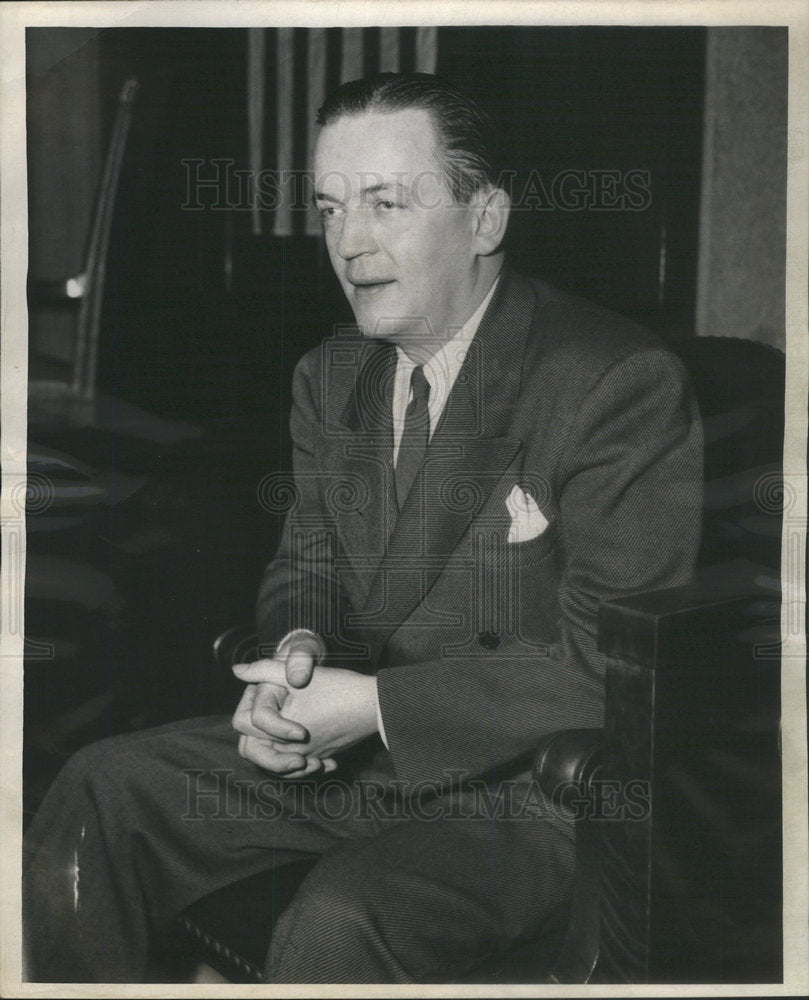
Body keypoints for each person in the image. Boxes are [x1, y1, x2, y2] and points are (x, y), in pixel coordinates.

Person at [23, 72, 703, 983]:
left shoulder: (612, 382)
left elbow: (606, 678)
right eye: (330, 207)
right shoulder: (330, 375)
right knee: (100, 789)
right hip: (361, 763)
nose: (348, 243)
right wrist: (298, 657)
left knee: (338, 924)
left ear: (485, 218)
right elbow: (305, 561)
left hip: (533, 790)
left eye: (385, 203)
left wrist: (375, 708)